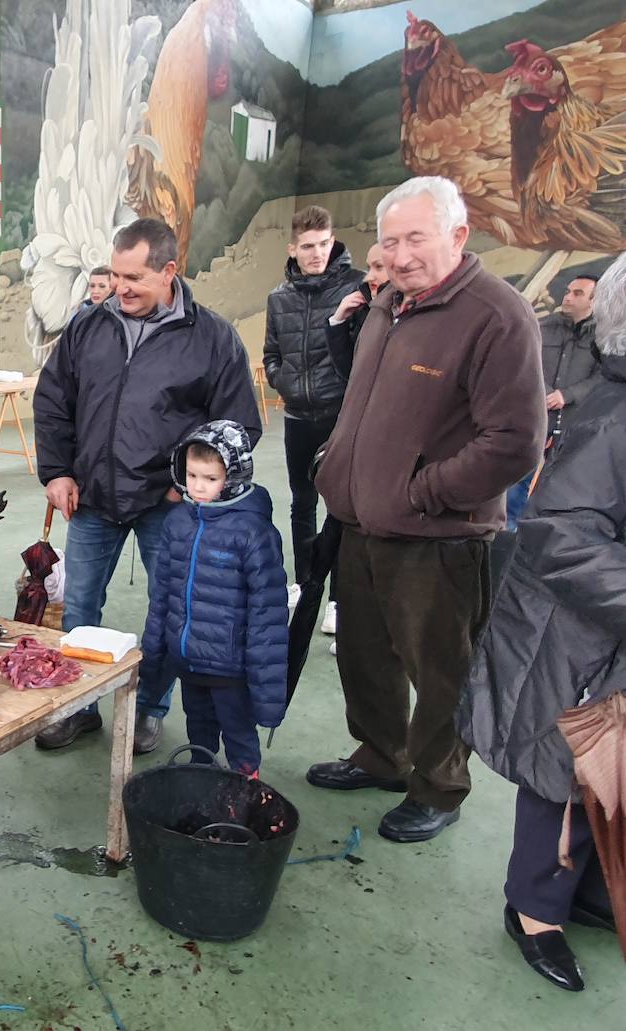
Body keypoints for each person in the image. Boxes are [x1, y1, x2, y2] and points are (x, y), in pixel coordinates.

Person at [307, 176, 545, 843]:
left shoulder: (497, 316)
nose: (402, 254)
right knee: (364, 655)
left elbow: (514, 443)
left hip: (436, 537)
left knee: (439, 669)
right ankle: (382, 755)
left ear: (458, 235)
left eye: (417, 238)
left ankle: (439, 785)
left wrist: (423, 491)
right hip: (360, 523)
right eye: (390, 240)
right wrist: (338, 464)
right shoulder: (388, 303)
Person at [457, 251, 626, 993]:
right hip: (574, 634)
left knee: (609, 772)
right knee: (563, 775)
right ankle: (535, 909)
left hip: (604, 633)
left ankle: (583, 890)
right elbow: (563, 535)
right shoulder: (615, 418)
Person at [33, 217, 262, 755]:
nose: (121, 288)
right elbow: (53, 402)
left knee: (169, 613)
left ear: (168, 271)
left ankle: (148, 709)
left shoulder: (212, 338)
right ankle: (77, 707)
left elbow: (236, 428)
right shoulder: (88, 327)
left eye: (134, 277)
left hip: (168, 504)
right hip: (91, 497)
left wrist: (189, 485)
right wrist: (58, 471)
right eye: (114, 275)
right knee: (81, 609)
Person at [139, 421, 287, 773]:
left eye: (210, 478)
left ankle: (244, 790)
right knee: (198, 730)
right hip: (188, 661)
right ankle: (201, 780)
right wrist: (155, 653)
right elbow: (161, 595)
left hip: (230, 667)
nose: (198, 486)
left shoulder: (253, 532)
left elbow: (268, 614)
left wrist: (266, 690)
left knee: (238, 735)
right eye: (191, 476)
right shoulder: (177, 523)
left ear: (232, 477)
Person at [262, 205, 363, 638]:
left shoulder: (357, 288)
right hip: (299, 416)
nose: (317, 253)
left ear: (333, 240)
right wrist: (281, 380)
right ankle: (305, 585)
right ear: (293, 248)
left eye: (323, 244)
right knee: (301, 503)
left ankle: (339, 599)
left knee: (341, 508)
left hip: (342, 417)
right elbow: (271, 354)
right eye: (308, 246)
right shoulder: (278, 298)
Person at [505, 274, 600, 528]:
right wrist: (544, 392)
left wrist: (566, 396)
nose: (567, 297)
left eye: (577, 293)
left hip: (574, 421)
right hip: (534, 416)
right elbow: (526, 361)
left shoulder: (603, 336)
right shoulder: (544, 326)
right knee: (517, 478)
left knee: (562, 483)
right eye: (568, 291)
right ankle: (507, 532)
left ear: (595, 299)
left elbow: (602, 376)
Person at [325, 242, 389, 381]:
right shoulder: (364, 309)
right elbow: (351, 372)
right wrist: (338, 322)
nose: (368, 277)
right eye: (368, 268)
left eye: (379, 267)